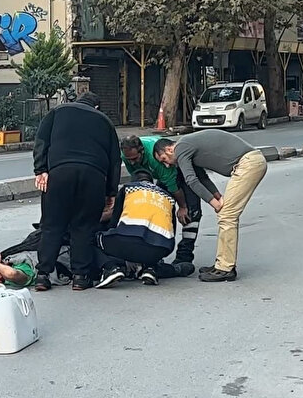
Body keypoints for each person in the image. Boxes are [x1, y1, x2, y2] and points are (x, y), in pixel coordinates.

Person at [32, 91, 121, 291]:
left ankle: (43, 275)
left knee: (52, 225)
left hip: (60, 173)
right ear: (96, 107)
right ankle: (80, 277)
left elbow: (41, 142)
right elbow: (115, 161)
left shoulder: (56, 112)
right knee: (84, 227)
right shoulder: (105, 121)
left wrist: (41, 170)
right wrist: (110, 193)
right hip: (93, 177)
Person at [153, 129, 268, 282]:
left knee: (227, 215)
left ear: (169, 149)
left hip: (247, 164)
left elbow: (191, 180)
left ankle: (225, 268)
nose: (166, 165)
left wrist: (214, 203)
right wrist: (217, 197)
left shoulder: (181, 148)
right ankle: (222, 264)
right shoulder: (187, 146)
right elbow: (202, 178)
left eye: (164, 159)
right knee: (226, 214)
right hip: (250, 162)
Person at [93, 171, 195, 289]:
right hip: (161, 248)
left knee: (89, 239)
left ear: (134, 181)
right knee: (148, 242)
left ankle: (110, 268)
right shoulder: (166, 196)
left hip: (128, 241)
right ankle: (151, 268)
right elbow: (171, 230)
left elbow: (114, 223)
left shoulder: (128, 189)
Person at [120, 135, 201, 268]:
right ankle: (157, 251)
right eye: (129, 160)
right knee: (161, 210)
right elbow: (137, 178)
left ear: (142, 151)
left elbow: (173, 186)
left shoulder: (156, 158)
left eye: (135, 159)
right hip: (163, 176)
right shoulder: (127, 156)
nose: (132, 162)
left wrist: (183, 207)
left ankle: (184, 255)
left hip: (181, 170)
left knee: (191, 213)